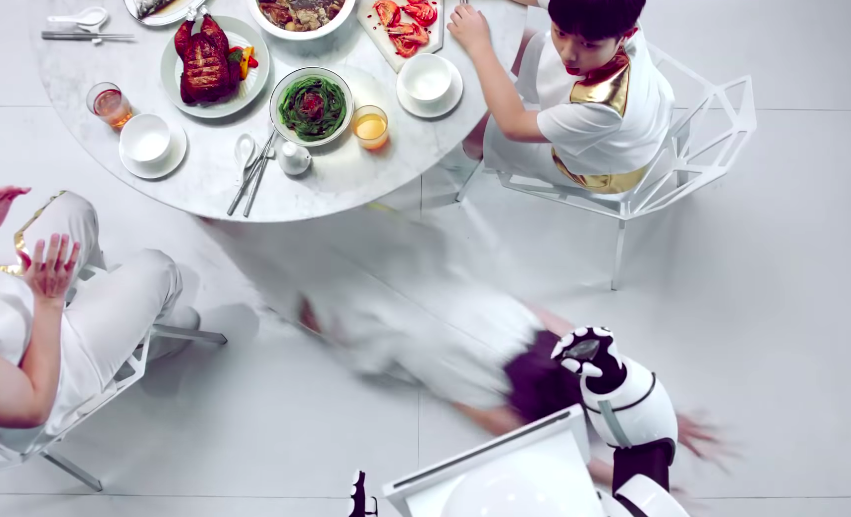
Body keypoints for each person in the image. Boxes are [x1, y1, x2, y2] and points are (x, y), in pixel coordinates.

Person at [204, 207, 722, 488]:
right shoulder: (487, 385)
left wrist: (658, 418)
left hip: (387, 285)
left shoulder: (528, 334)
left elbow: (594, 360)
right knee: (294, 255)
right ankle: (227, 221)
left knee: (315, 241)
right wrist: (627, 464)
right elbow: (531, 432)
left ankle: (233, 219)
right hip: (371, 298)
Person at [0, 188, 199, 453]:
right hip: (54, 373)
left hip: (14, 304)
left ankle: (96, 295)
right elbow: (35, 407)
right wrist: (48, 302)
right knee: (158, 268)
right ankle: (141, 344)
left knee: (73, 209)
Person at [448, 0, 674, 195]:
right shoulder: (600, 10)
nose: (567, 53)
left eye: (588, 44)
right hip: (638, 112)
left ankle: (466, 160)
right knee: (498, 34)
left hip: (600, 164)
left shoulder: (606, 106)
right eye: (560, 33)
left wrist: (479, 45)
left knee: (471, 121)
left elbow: (514, 125)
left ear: (626, 36)